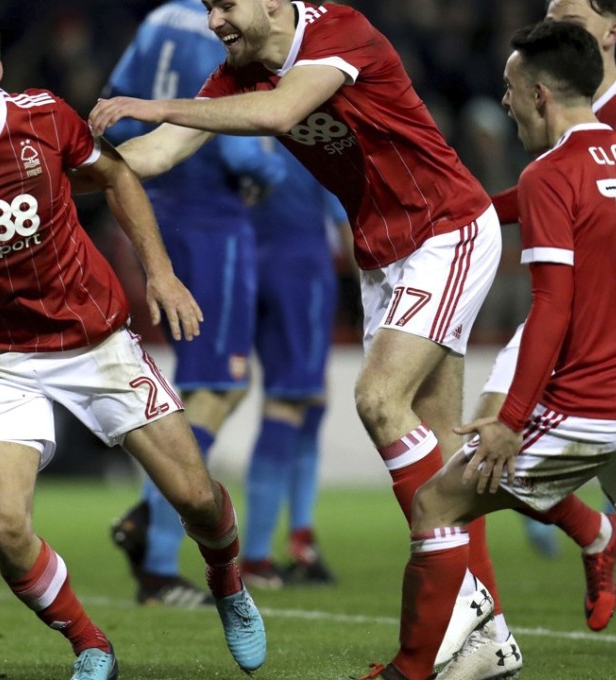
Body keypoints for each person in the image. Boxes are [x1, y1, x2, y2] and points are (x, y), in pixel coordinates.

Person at [0, 9, 267, 680]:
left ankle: (229, 586)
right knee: (3, 525)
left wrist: (162, 274)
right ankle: (91, 644)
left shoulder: (43, 118)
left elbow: (118, 175)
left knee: (198, 499)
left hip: (97, 343)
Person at [89, 0, 517, 672]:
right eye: (206, 8)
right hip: (383, 256)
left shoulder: (337, 29)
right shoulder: (241, 67)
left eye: (225, 4)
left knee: (378, 401)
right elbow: (160, 152)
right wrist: (62, 169)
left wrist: (157, 103)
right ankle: (486, 637)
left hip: (446, 229)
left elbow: (279, 114)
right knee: (442, 454)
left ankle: (436, 637)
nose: (214, 21)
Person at [360, 19, 616, 680]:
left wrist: (510, 420)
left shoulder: (550, 173)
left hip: (589, 409)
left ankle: (412, 672)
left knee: (437, 502)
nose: (503, 101)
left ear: (539, 96)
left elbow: (553, 307)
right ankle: (596, 534)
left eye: (510, 87)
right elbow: (523, 208)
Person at [101, 0, 287, 608]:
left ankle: (146, 516)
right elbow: (236, 144)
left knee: (211, 384)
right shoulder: (237, 30)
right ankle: (157, 557)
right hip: (214, 219)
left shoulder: (158, 20)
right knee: (216, 385)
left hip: (156, 206)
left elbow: (116, 107)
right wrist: (269, 170)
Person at [475, 0, 616, 621]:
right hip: (574, 326)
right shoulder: (582, 124)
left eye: (572, 16)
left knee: (473, 470)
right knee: (483, 442)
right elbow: (545, 190)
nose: (556, 23)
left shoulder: (584, 121)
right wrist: (469, 212)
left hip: (584, 333)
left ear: (610, 31)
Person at [239, 138, 351, 588]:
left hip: (250, 262)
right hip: (300, 269)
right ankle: (258, 557)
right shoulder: (314, 135)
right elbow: (344, 218)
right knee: (291, 398)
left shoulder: (236, 125)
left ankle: (301, 539)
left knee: (312, 394)